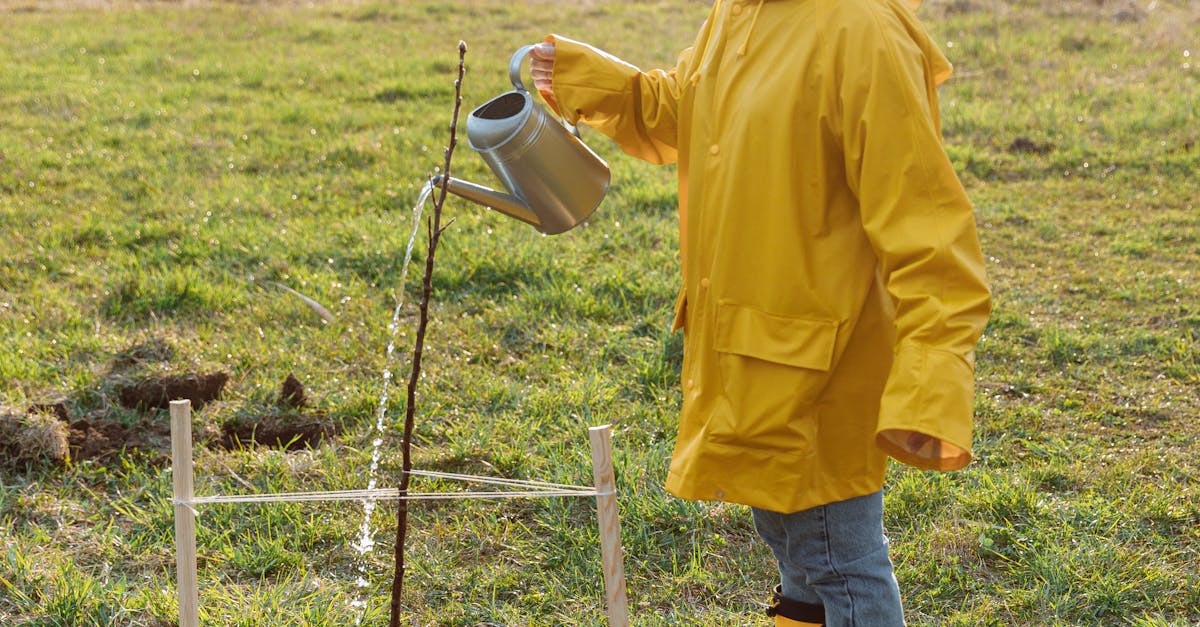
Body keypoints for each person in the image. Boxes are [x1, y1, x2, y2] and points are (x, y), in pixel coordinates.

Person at [529, 0, 991, 624]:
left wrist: (931, 376)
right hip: (749, 349)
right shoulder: (738, 12)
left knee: (839, 559)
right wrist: (587, 77)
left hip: (823, 367)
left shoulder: (861, 31)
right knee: (794, 549)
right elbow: (692, 109)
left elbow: (927, 226)